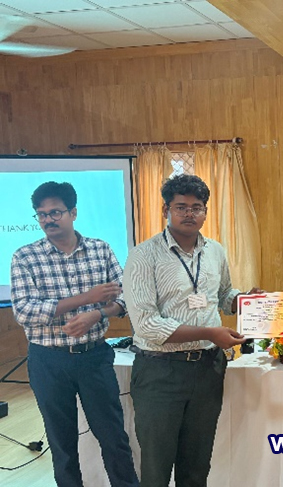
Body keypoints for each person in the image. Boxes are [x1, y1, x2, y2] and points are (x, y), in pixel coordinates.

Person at [123, 174, 253, 487]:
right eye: (181, 207)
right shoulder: (143, 256)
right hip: (160, 372)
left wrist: (247, 301)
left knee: (197, 466)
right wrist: (209, 333)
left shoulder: (215, 251)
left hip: (208, 370)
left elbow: (223, 294)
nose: (189, 214)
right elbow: (147, 325)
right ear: (166, 210)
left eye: (197, 207)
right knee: (156, 467)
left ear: (205, 212)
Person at [10, 181, 138, 487]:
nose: (48, 220)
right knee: (62, 442)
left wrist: (97, 313)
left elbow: (125, 297)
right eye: (41, 214)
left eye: (55, 212)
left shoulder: (100, 249)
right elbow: (24, 311)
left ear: (73, 213)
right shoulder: (25, 257)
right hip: (48, 361)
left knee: (113, 437)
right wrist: (87, 298)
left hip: (94, 356)